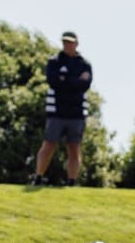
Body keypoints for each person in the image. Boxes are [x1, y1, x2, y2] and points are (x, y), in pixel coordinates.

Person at [31, 31, 92, 186]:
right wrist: (74, 80)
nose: (67, 45)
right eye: (65, 42)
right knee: (48, 145)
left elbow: (84, 85)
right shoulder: (54, 61)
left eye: (70, 42)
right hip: (56, 112)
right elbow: (53, 81)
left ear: (76, 44)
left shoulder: (84, 64)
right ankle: (38, 177)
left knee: (74, 148)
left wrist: (65, 79)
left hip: (76, 113)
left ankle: (71, 181)